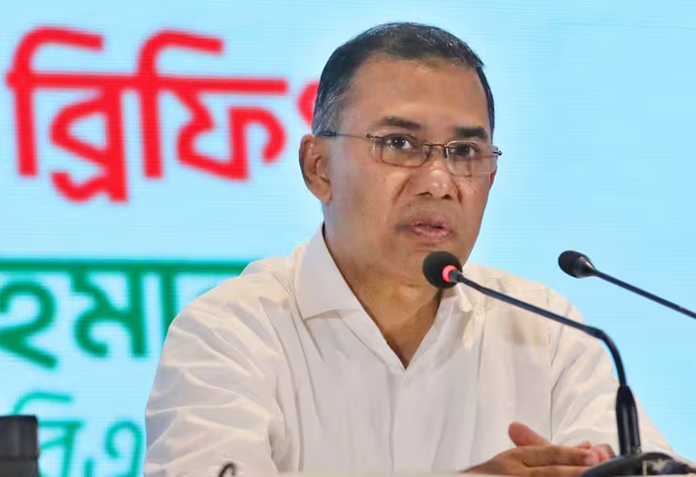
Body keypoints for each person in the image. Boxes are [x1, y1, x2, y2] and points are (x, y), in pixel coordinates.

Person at [144, 22, 679, 476]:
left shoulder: (545, 331)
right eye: (399, 144)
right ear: (318, 168)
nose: (439, 183)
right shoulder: (229, 333)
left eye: (464, 151)